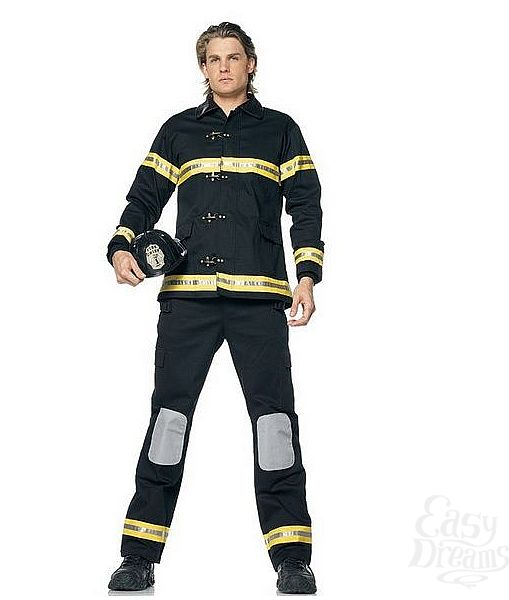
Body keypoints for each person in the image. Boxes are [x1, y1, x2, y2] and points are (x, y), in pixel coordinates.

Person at [106, 22, 324, 594]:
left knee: (274, 426)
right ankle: (139, 556)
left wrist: (307, 275)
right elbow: (143, 197)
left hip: (260, 299)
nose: (223, 67)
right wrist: (122, 246)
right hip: (188, 300)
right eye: (213, 59)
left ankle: (292, 558)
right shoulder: (177, 131)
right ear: (203, 68)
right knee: (168, 423)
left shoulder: (281, 130)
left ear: (251, 63)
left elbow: (306, 205)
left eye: (233, 57)